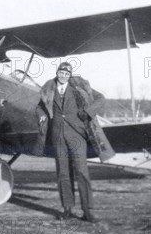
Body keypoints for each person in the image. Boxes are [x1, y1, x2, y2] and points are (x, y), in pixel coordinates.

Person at [35, 62, 115, 223]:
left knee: (81, 171)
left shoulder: (80, 86)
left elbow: (100, 98)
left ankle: (87, 211)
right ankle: (67, 209)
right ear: (57, 73)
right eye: (61, 72)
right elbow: (39, 107)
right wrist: (41, 116)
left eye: (66, 73)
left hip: (77, 135)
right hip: (58, 136)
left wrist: (88, 111)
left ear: (70, 75)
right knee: (63, 173)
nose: (63, 75)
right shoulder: (48, 88)